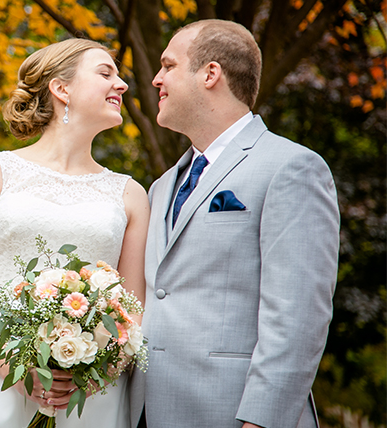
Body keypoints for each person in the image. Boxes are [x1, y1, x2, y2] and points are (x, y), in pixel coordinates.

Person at [0, 38, 150, 428]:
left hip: (87, 393)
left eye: (120, 76)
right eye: (106, 73)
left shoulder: (130, 194)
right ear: (61, 88)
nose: (122, 84)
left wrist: (90, 379)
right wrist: (17, 369)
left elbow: (133, 312)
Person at [129, 19, 340, 428]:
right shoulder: (160, 187)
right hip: (148, 411)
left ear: (210, 73)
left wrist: (261, 421)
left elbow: (297, 318)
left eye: (168, 66)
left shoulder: (291, 168)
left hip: (235, 414)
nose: (156, 79)